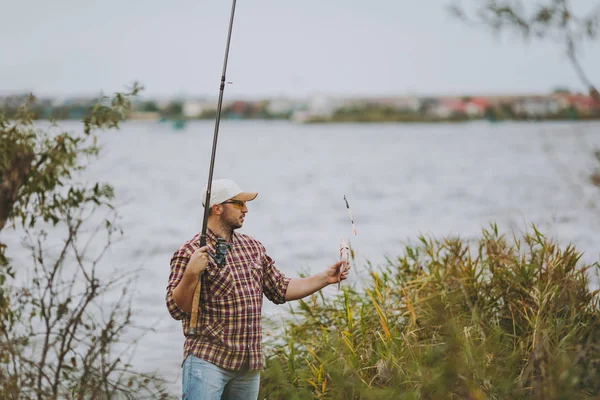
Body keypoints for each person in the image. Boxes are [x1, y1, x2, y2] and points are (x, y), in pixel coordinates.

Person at [165, 178, 350, 400]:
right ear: (217, 208)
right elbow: (176, 309)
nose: (246, 209)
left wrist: (326, 277)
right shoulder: (189, 252)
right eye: (239, 204)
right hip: (207, 362)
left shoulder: (253, 247)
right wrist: (191, 274)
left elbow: (280, 289)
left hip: (248, 366)